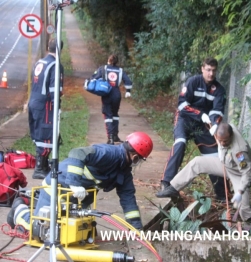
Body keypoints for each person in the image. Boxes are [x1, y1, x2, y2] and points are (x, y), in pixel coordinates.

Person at [7, 132, 153, 231]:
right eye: (140, 159)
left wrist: (136, 229)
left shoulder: (124, 171)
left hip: (75, 198)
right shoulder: (108, 153)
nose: (138, 162)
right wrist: (75, 184)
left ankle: (31, 199)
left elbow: (128, 199)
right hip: (58, 186)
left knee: (76, 232)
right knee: (41, 230)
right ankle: (19, 211)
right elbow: (78, 153)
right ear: (135, 156)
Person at [156, 123, 251, 222]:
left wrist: (240, 191)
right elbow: (217, 122)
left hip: (238, 174)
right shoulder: (223, 130)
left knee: (243, 207)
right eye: (220, 140)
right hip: (225, 164)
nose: (222, 143)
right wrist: (212, 124)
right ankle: (173, 188)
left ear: (231, 136)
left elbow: (247, 173)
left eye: (225, 141)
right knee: (197, 162)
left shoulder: (240, 151)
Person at [160, 57, 227, 201]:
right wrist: (200, 114)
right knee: (180, 142)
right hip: (185, 118)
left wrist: (215, 122)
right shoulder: (193, 82)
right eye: (208, 70)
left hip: (203, 124)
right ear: (202, 69)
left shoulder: (219, 90)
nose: (211, 74)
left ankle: (222, 195)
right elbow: (182, 105)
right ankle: (166, 183)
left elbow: (218, 110)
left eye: (213, 71)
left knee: (214, 154)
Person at [28, 38, 64, 179]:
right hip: (46, 104)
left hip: (34, 101)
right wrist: (57, 107)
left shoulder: (40, 62)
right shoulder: (55, 65)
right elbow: (55, 89)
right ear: (60, 49)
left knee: (38, 134)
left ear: (48, 47)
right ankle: (39, 168)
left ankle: (42, 165)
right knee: (47, 135)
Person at [91, 54, 133, 145]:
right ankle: (115, 135)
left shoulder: (103, 68)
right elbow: (128, 81)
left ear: (109, 60)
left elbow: (94, 77)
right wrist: (128, 91)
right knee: (115, 115)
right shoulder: (120, 70)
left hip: (107, 93)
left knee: (107, 115)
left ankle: (110, 138)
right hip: (116, 94)